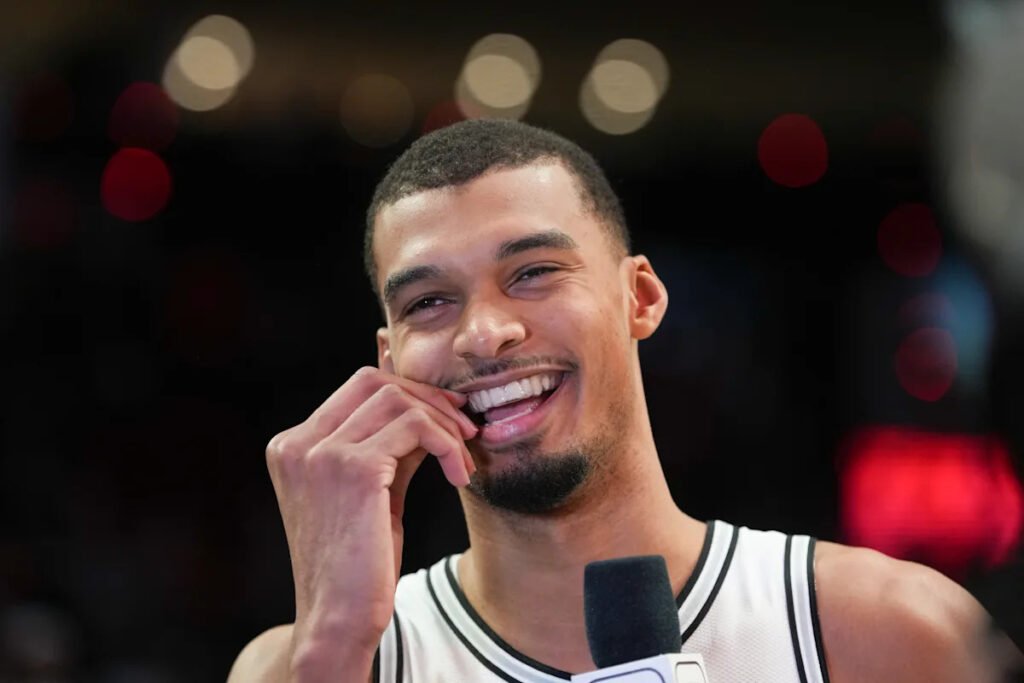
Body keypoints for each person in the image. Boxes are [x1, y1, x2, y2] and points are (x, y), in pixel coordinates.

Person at [228, 119, 1022, 682]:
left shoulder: (893, 632)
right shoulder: (310, 664)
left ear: (638, 297)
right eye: (429, 302)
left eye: (533, 272)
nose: (485, 332)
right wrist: (334, 650)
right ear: (388, 358)